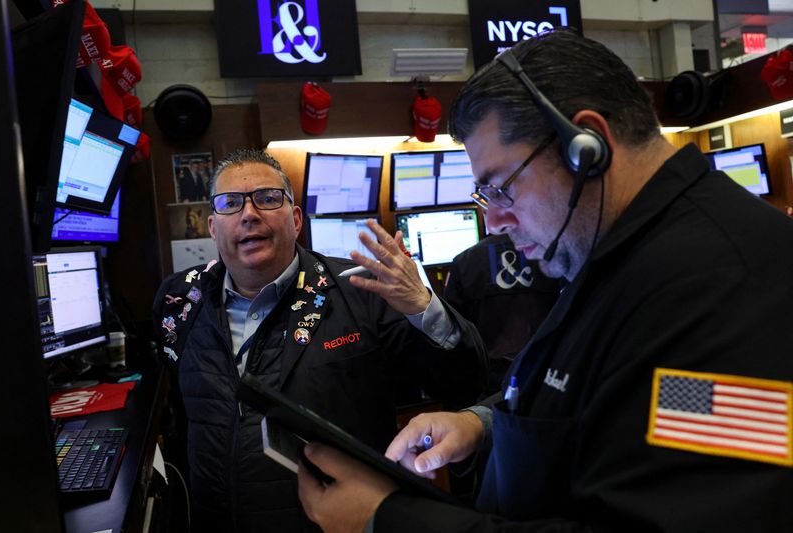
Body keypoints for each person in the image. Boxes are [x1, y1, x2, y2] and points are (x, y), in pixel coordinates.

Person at [297, 29, 793, 532]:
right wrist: (486, 424)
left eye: (501, 187)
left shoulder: (729, 284)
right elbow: (629, 401)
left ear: (588, 146)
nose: (493, 223)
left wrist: (388, 520)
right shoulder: (618, 251)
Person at [153, 148, 487, 532]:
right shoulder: (179, 300)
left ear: (296, 220)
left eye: (266, 198)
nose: (248, 214)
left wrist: (422, 307)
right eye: (231, 204)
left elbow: (465, 382)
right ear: (213, 227)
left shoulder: (362, 291)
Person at [443, 233, 560, 395]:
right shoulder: (550, 254)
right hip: (547, 373)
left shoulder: (464, 260)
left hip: (490, 377)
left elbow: (451, 329)